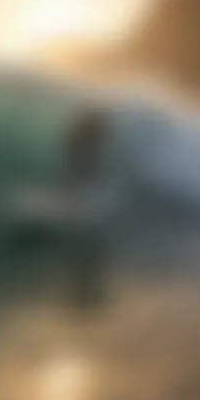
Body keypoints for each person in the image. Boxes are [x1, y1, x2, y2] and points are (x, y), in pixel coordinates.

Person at [61, 104, 115, 310]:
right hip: (85, 193)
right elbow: (80, 165)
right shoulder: (86, 138)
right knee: (87, 242)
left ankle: (86, 289)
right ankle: (86, 290)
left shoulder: (84, 138)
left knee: (86, 243)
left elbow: (75, 163)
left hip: (84, 192)